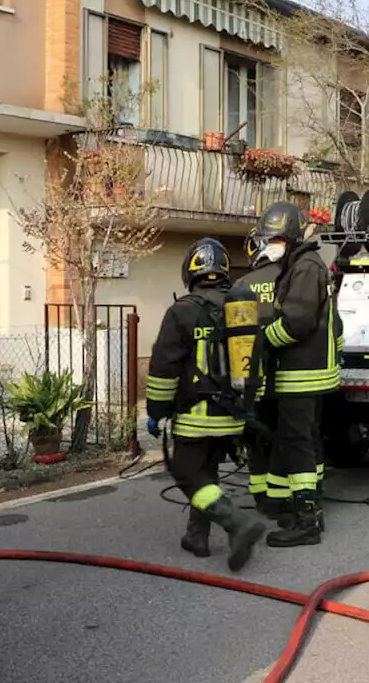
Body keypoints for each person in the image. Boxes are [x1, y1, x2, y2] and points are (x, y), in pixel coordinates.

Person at [144, 238, 265, 571]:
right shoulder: (238, 309)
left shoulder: (181, 311)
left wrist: (156, 412)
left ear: (190, 273)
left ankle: (236, 523)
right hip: (235, 416)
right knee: (207, 472)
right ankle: (196, 537)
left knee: (187, 476)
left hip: (196, 417)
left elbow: (164, 369)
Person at [256, 202, 341, 548]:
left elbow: (297, 323)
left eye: (274, 239)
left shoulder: (305, 269)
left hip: (301, 374)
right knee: (305, 440)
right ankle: (299, 508)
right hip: (307, 373)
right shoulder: (301, 265)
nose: (269, 245)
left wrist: (264, 340)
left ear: (290, 237)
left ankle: (307, 521)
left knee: (298, 445)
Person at [234, 231, 291, 519]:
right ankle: (282, 499)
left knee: (255, 442)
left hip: (251, 381)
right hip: (288, 377)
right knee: (284, 439)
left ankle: (261, 496)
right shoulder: (292, 278)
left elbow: (235, 338)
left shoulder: (242, 285)